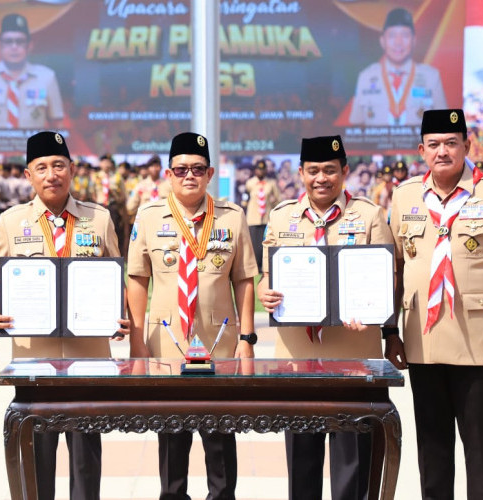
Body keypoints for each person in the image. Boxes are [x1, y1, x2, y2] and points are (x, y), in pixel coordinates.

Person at [0, 131, 129, 500]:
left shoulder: (99, 218)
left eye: (59, 165)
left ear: (72, 170)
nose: (52, 174)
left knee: (85, 455)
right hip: (35, 358)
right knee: (38, 453)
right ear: (29, 174)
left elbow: (114, 275)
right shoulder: (13, 221)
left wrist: (120, 313)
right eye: (42, 167)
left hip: (90, 358)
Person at [388, 109, 483, 499]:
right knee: (432, 451)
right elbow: (395, 270)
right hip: (423, 341)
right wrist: (390, 332)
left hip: (479, 343)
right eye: (434, 144)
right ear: (421, 150)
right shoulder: (405, 196)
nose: (443, 151)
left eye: (451, 143)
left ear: (466, 146)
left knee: (480, 451)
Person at [257, 135, 394, 500]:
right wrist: (264, 292)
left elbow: (388, 277)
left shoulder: (369, 215)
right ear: (301, 173)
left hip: (354, 355)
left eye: (330, 170)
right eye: (314, 170)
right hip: (296, 357)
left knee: (353, 460)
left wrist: (374, 309)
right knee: (302, 458)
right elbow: (267, 275)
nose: (322, 178)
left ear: (345, 172)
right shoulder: (281, 216)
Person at [128, 132, 257, 500]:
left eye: (197, 169)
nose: (189, 176)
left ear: (210, 173)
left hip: (219, 345)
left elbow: (245, 279)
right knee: (171, 437)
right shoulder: (150, 216)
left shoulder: (232, 217)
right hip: (166, 344)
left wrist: (247, 340)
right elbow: (137, 278)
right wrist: (138, 343)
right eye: (181, 169)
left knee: (219, 439)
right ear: (168, 174)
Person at [349, 7, 446, 126]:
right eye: (392, 35)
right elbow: (355, 125)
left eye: (405, 35)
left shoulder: (431, 77)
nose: (398, 42)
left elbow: (443, 125)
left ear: (414, 40)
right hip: (376, 143)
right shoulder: (366, 77)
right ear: (382, 41)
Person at [0, 13, 64, 129]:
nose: (14, 47)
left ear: (29, 46)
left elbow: (57, 124)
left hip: (34, 146)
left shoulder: (47, 77)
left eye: (20, 41)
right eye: (8, 41)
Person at [245, 158, 281, 269]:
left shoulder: (271, 183)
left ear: (266, 170)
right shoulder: (250, 183)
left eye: (263, 169)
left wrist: (273, 201)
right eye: (258, 169)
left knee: (266, 242)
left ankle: (265, 266)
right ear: (255, 170)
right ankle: (255, 266)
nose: (260, 172)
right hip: (253, 218)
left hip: (266, 218)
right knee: (254, 244)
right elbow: (245, 197)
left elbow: (278, 199)